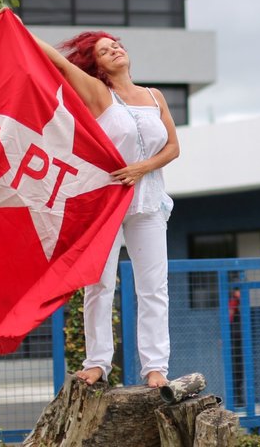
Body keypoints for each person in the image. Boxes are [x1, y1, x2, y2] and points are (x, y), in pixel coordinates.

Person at [35, 30, 180, 388]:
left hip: (148, 202)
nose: (114, 49)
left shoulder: (153, 96)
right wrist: (10, 20)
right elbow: (53, 60)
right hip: (105, 203)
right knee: (99, 285)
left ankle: (156, 368)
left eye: (115, 45)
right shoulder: (99, 94)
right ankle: (98, 362)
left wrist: (141, 168)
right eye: (103, 50)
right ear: (96, 65)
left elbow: (173, 148)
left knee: (154, 287)